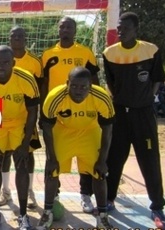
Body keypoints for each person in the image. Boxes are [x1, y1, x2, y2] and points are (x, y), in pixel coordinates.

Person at [103, 12, 165, 229]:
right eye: (119, 28)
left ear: (135, 29)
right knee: (114, 158)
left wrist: (149, 97)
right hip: (120, 113)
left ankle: (157, 207)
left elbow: (158, 78)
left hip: (143, 114)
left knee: (149, 159)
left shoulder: (150, 50)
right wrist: (120, 100)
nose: (120, 31)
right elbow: (111, 83)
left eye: (125, 28)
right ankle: (109, 199)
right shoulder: (110, 53)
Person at [37, 67, 114, 229]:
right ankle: (47, 212)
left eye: (83, 87)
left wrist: (103, 160)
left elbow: (107, 130)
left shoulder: (101, 97)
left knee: (99, 173)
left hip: (89, 131)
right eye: (74, 86)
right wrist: (51, 158)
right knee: (51, 171)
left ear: (90, 86)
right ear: (67, 84)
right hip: (63, 131)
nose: (78, 91)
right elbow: (47, 128)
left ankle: (102, 216)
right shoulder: (55, 97)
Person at [40, 16, 100, 213]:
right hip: (57, 114)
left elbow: (96, 81)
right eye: (62, 27)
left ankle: (85, 195)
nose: (65, 30)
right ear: (58, 30)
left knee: (87, 160)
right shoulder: (48, 54)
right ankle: (54, 196)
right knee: (54, 158)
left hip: (84, 114)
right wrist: (43, 109)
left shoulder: (85, 52)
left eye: (69, 27)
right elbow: (44, 83)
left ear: (75, 31)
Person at [0, 45, 39, 230]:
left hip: (20, 124)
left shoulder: (26, 79)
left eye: (6, 62)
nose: (1, 66)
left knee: (21, 162)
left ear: (13, 63)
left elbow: (32, 113)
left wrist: (25, 143)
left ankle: (22, 215)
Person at [3, 25, 43, 209]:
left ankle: (28, 191)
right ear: (9, 38)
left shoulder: (34, 62)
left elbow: (40, 89)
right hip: (2, 116)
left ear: (25, 39)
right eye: (13, 35)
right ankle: (5, 190)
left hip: (26, 117)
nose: (17, 38)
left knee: (27, 153)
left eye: (20, 35)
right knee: (5, 153)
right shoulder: (1, 58)